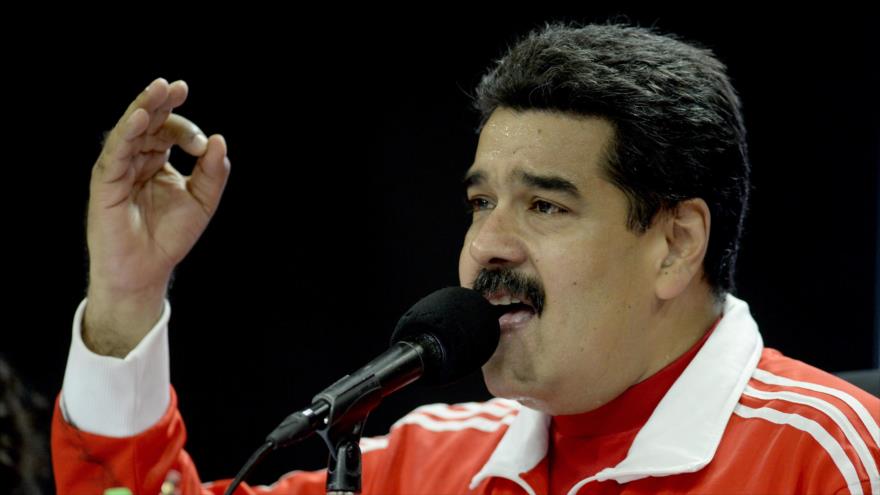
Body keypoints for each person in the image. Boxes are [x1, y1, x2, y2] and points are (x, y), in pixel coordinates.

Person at [52, 22, 879, 494]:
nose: (488, 244)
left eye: (546, 205)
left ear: (675, 243)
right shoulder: (428, 463)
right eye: (481, 201)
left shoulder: (828, 458)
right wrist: (128, 292)